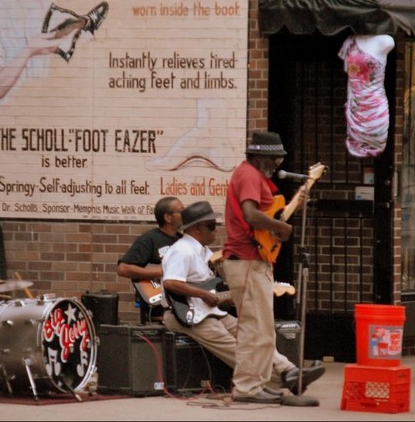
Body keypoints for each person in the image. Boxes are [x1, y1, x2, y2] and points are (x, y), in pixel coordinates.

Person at [163, 200, 324, 404]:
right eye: (212, 226)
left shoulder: (205, 252)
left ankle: (289, 370)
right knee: (234, 347)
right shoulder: (183, 250)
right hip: (188, 315)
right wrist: (204, 295)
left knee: (252, 335)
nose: (216, 230)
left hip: (208, 311)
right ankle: (280, 381)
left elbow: (211, 288)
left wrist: (229, 295)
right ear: (197, 228)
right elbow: (170, 283)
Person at [221, 131, 323, 403]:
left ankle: (256, 384)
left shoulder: (253, 176)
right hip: (246, 259)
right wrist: (283, 227)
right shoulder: (250, 176)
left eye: (279, 157)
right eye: (273, 156)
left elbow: (264, 217)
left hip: (254, 259)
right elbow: (251, 216)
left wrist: (284, 217)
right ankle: (246, 388)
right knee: (256, 329)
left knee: (262, 329)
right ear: (257, 155)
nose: (278, 162)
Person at [117, 196, 184, 324]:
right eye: (181, 210)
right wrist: (160, 272)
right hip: (158, 307)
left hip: (182, 304)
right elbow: (123, 269)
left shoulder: (183, 241)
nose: (185, 214)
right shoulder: (149, 239)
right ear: (168, 217)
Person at [338, 34, 395, 158]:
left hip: (376, 111)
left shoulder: (386, 41)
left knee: (377, 152)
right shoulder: (350, 42)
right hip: (355, 110)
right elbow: (351, 79)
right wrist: (349, 103)